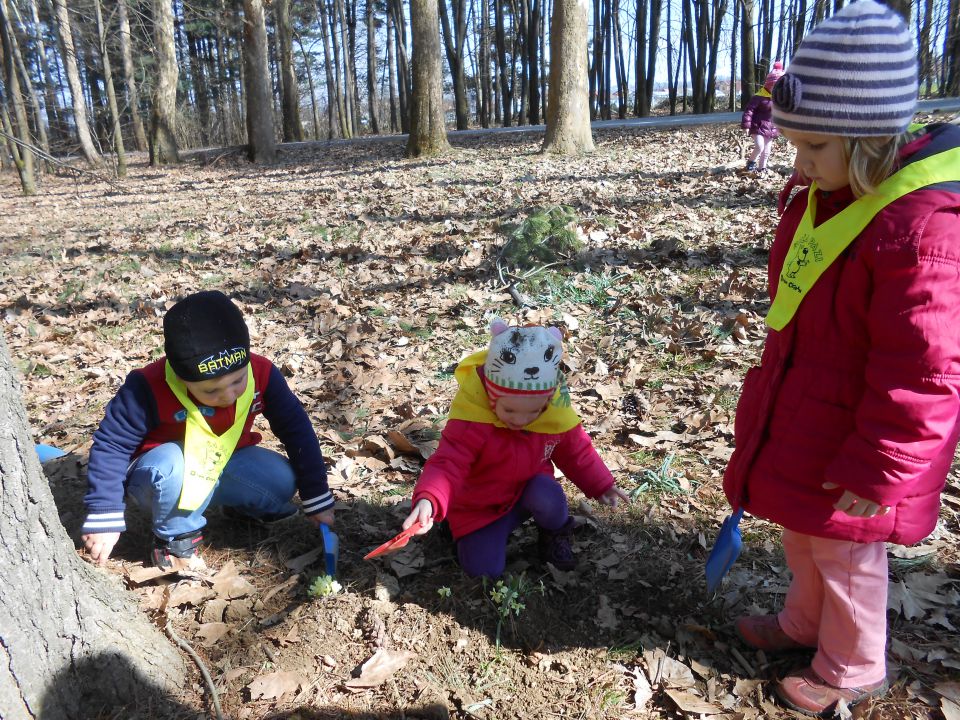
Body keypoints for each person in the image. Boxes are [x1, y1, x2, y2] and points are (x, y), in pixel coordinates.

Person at [722, 1, 960, 715]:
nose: (798, 164)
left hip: (861, 446)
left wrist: (884, 465)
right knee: (804, 538)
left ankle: (853, 664)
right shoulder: (831, 193)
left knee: (848, 557)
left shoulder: (918, 232)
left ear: (868, 141)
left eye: (813, 149)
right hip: (811, 416)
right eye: (793, 146)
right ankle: (803, 622)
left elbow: (927, 371)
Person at [81, 290, 335, 569]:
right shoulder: (146, 387)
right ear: (181, 377)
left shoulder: (262, 372)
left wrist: (316, 493)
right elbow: (112, 445)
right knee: (173, 466)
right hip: (159, 475)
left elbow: (296, 427)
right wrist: (104, 513)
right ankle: (176, 539)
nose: (228, 395)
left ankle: (240, 509)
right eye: (211, 390)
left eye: (238, 381)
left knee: (282, 479)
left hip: (219, 461)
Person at [401, 319, 628, 578]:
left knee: (548, 495)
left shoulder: (554, 413)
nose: (519, 421)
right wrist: (429, 498)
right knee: (483, 570)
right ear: (491, 396)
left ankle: (554, 533)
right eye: (509, 410)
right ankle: (456, 526)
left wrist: (601, 484)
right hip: (480, 505)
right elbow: (448, 462)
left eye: (534, 412)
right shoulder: (473, 420)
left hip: (527, 490)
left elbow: (576, 449)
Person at [740, 61, 784, 174]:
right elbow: (749, 110)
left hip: (771, 128)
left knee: (767, 151)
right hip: (757, 126)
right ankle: (751, 163)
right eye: (774, 85)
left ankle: (762, 168)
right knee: (759, 146)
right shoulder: (759, 96)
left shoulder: (779, 98)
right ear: (769, 84)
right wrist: (746, 125)